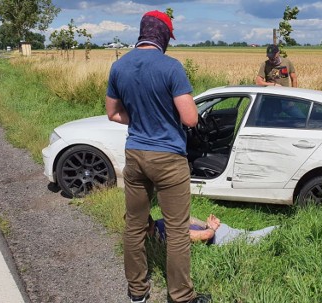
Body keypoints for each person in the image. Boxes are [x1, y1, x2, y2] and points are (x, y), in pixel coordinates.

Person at [105, 10, 210, 303]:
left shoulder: (119, 66)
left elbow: (113, 113)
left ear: (142, 33)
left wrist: (140, 119)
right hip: (168, 158)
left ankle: (137, 291)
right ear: (163, 35)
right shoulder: (171, 67)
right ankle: (181, 296)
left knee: (134, 224)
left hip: (135, 154)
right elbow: (189, 118)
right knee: (177, 229)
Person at [148, 214, 278, 246]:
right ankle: (279, 229)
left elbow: (206, 235)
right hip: (219, 233)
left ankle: (280, 229)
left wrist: (211, 226)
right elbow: (189, 219)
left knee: (256, 237)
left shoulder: (166, 233)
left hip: (220, 237)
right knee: (255, 235)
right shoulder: (163, 220)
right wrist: (208, 225)